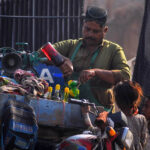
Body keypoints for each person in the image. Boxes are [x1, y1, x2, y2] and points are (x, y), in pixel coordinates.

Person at [38, 6, 130, 110]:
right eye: (87, 29)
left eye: (95, 31)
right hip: (68, 107)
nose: (90, 34)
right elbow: (42, 52)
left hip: (99, 113)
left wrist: (96, 72)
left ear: (105, 30)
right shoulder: (71, 45)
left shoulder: (114, 50)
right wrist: (62, 61)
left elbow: (125, 76)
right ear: (83, 26)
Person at [113, 80, 148, 150]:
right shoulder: (141, 119)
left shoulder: (113, 119)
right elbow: (144, 141)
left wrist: (85, 114)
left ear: (118, 101)